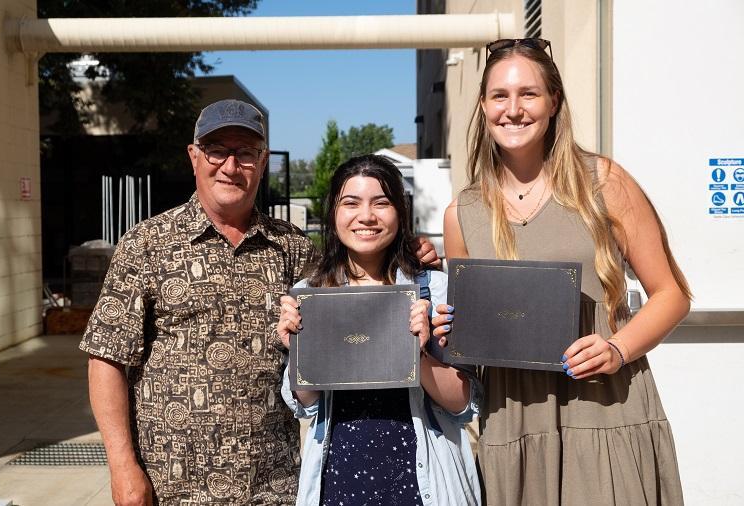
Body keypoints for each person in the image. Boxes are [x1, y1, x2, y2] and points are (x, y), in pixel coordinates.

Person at [80, 99, 441, 505]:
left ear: (263, 160)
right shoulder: (146, 245)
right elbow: (106, 358)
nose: (231, 166)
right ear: (194, 156)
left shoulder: (293, 249)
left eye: (246, 153)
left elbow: (360, 279)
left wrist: (411, 253)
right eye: (217, 150)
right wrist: (122, 466)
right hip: (172, 486)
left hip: (272, 486)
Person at [433, 39, 691, 505]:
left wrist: (618, 347)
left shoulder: (605, 183)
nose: (514, 109)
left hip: (605, 406)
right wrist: (449, 331)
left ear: (553, 101)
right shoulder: (462, 214)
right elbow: (468, 346)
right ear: (483, 106)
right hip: (515, 420)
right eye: (500, 96)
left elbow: (671, 294)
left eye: (528, 94)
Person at [277, 154, 482, 506]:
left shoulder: (435, 289)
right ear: (333, 214)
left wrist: (418, 353)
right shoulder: (310, 293)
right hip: (338, 477)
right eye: (351, 203)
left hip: (423, 479)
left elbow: (465, 404)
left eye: (381, 203)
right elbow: (306, 407)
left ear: (400, 213)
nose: (366, 216)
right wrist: (299, 350)